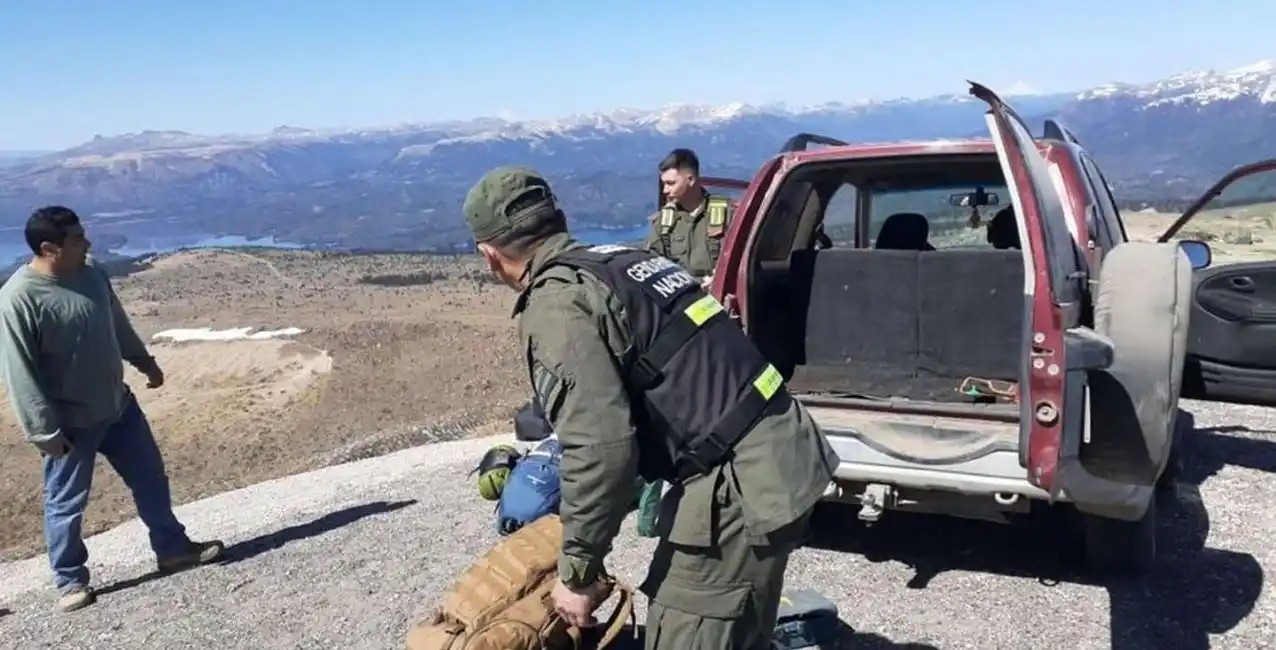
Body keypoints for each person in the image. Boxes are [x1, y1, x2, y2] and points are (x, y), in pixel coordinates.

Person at [462, 166, 839, 650]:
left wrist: (577, 575)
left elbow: (600, 449)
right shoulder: (626, 261)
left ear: (489, 255)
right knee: (738, 626)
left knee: (686, 629)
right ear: (557, 218)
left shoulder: (557, 305)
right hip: (784, 448)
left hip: (741, 483)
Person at [0, 206, 225, 613]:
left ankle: (174, 550)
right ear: (49, 248)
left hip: (118, 407)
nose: (87, 243)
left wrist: (144, 362)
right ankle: (70, 581)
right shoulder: (18, 299)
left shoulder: (92, 274)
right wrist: (43, 431)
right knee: (66, 502)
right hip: (70, 424)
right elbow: (19, 372)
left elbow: (115, 324)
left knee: (151, 478)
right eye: (77, 239)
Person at [644, 148, 733, 285]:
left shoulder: (726, 214)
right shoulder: (664, 221)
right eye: (664, 184)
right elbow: (652, 263)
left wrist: (718, 279)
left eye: (671, 183)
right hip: (679, 295)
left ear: (690, 179)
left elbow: (742, 259)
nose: (665, 190)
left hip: (717, 295)